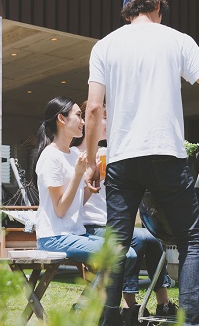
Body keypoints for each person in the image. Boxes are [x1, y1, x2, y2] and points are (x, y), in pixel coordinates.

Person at [84, 0, 199, 325]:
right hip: (166, 155)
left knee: (117, 241)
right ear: (158, 7)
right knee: (191, 240)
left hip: (122, 159)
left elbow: (92, 109)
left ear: (128, 9)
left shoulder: (105, 46)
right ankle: (189, 320)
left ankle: (110, 319)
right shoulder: (178, 41)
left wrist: (90, 161)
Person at [71, 101, 176, 323]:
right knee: (131, 241)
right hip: (90, 225)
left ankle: (163, 303)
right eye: (105, 118)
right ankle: (128, 304)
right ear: (91, 122)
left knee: (153, 239)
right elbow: (72, 202)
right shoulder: (74, 155)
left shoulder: (111, 152)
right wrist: (93, 178)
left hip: (111, 224)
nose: (110, 123)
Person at [33, 96, 105, 264]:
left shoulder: (74, 155)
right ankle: (97, 291)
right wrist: (78, 175)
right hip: (53, 237)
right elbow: (60, 209)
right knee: (120, 255)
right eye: (79, 115)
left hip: (75, 234)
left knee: (128, 251)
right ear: (61, 119)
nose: (83, 122)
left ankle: (98, 291)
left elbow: (78, 202)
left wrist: (98, 178)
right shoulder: (50, 156)